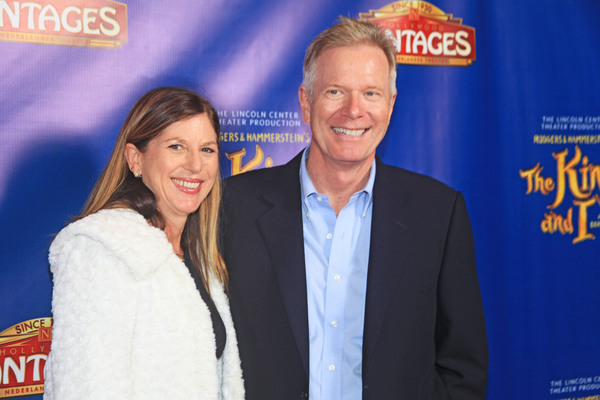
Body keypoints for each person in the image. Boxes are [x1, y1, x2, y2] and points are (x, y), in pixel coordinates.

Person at [220, 17, 488, 400]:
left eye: (371, 94)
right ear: (305, 101)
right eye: (334, 91)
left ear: (390, 104)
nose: (353, 110)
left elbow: (463, 367)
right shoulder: (232, 208)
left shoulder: (439, 214)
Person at [44, 87, 244, 400]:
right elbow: (86, 389)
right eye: (177, 147)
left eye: (207, 149)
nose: (195, 165)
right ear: (135, 158)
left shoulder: (199, 257)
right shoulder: (100, 248)